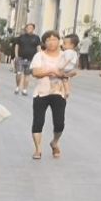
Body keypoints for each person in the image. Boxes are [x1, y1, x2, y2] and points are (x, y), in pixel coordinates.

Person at [31, 29, 73, 160]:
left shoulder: (65, 56)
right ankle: (38, 149)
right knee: (38, 121)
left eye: (54, 39)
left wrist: (61, 75)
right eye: (48, 40)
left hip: (58, 92)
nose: (51, 42)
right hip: (41, 92)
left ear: (59, 41)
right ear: (44, 42)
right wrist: (49, 71)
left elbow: (72, 71)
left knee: (59, 123)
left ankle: (55, 142)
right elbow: (35, 72)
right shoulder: (39, 56)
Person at [12, 24, 40, 89]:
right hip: (20, 58)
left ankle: (25, 89)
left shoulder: (36, 38)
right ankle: (17, 86)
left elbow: (38, 47)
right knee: (18, 73)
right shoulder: (21, 37)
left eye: (31, 28)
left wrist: (39, 57)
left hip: (31, 59)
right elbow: (17, 46)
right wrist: (16, 56)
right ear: (26, 28)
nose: (29, 29)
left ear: (33, 29)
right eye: (28, 27)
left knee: (27, 75)